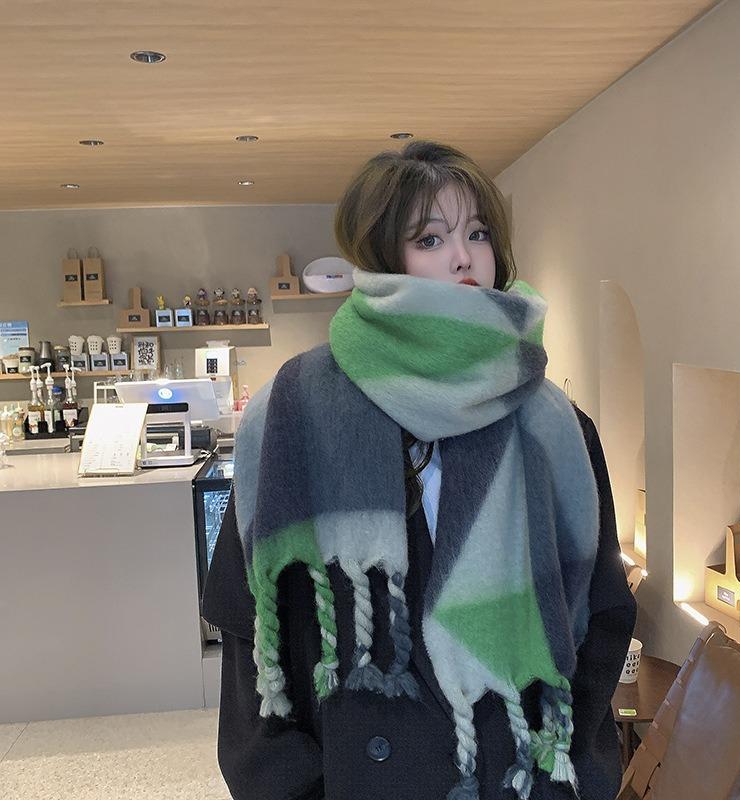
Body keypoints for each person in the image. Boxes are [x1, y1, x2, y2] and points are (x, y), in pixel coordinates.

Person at [202, 140, 637, 800]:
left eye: (478, 233)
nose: (464, 257)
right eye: (430, 238)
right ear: (381, 257)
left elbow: (601, 618)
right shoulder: (294, 410)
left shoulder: (555, 426)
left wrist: (573, 780)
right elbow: (248, 628)